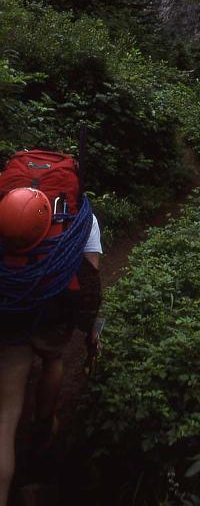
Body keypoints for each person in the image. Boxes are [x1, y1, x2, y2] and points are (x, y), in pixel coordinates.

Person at [0, 212, 103, 506]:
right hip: (54, 311)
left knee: (6, 417)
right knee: (52, 360)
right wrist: (89, 329)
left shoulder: (8, 205)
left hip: (13, 308)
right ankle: (43, 427)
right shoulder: (84, 217)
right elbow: (90, 277)